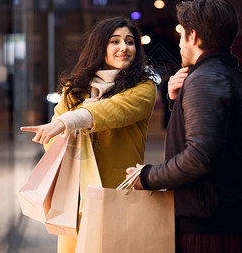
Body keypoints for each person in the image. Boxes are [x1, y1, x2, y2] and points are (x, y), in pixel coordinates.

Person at [127, 0, 242, 253]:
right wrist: (178, 102)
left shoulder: (205, 80)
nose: (179, 44)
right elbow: (223, 140)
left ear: (194, 36)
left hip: (208, 229)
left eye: (182, 35)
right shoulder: (237, 78)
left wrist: (147, 176)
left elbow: (201, 156)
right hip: (223, 220)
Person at [21, 16, 157, 253]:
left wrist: (72, 119)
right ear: (100, 46)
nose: (124, 47)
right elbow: (53, 143)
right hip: (74, 195)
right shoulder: (73, 90)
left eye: (130, 41)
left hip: (117, 191)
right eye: (115, 41)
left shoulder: (143, 87)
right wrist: (62, 128)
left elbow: (113, 111)